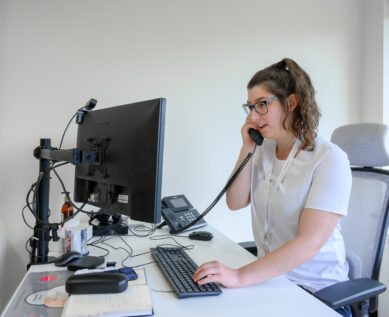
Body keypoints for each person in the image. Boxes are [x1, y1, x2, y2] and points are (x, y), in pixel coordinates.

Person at [192, 58, 352, 317]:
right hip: (272, 282)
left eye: (262, 105)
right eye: (250, 107)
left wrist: (241, 276)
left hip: (316, 294)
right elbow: (234, 202)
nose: (253, 116)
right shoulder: (263, 149)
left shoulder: (329, 159)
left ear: (291, 103)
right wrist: (247, 147)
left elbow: (308, 243)